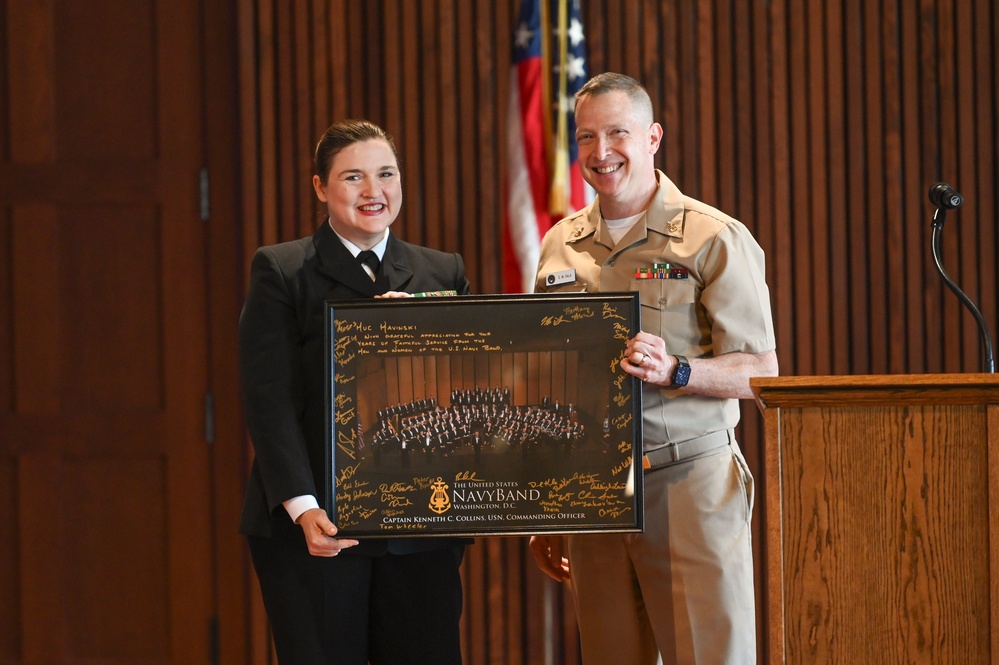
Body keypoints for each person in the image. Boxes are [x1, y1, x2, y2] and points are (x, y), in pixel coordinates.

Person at [529, 72, 778, 664]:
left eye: (618, 132)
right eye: (586, 137)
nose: (601, 152)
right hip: (594, 494)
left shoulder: (712, 237)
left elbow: (762, 370)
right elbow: (545, 380)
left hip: (688, 482)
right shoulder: (560, 245)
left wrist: (678, 371)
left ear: (652, 138)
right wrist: (548, 506)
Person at [238, 119, 471, 665]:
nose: (374, 192)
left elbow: (469, 386)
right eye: (353, 177)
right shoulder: (282, 269)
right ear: (320, 187)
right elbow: (268, 399)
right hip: (316, 525)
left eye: (386, 174)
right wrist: (301, 506)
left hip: (422, 525)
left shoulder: (442, 271)